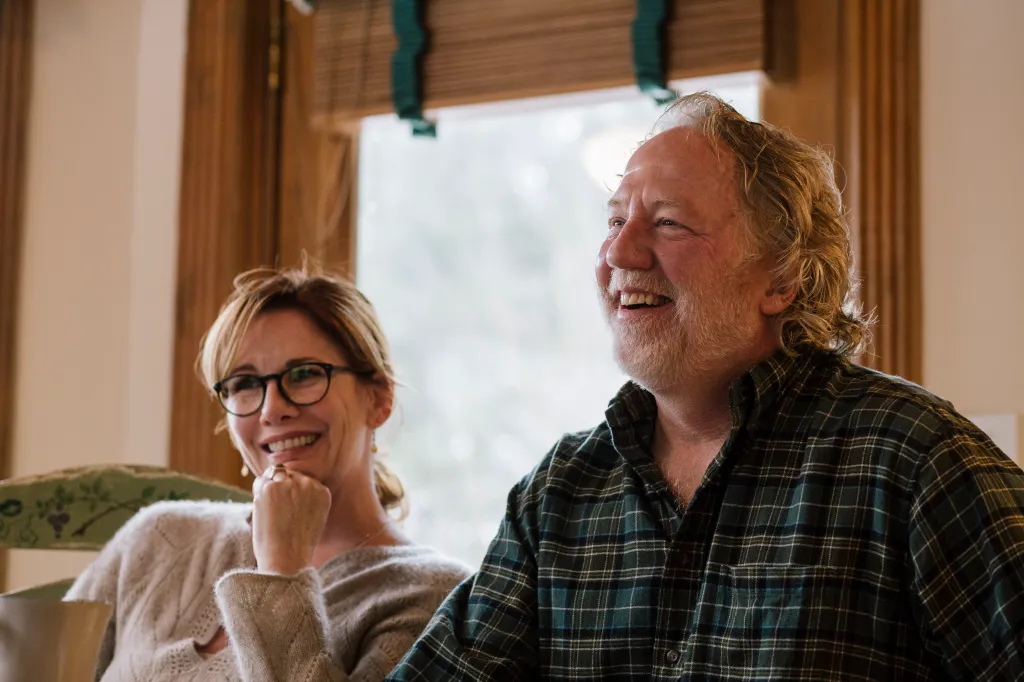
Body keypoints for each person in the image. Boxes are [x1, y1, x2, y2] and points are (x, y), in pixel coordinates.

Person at [387, 92, 1024, 680]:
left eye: (668, 224)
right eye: (614, 221)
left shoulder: (914, 461)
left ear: (782, 279)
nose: (620, 254)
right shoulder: (557, 497)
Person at [65, 266, 470, 681]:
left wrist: (283, 569)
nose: (272, 408)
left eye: (305, 374)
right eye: (244, 383)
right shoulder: (158, 537)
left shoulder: (435, 600)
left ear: (379, 399)